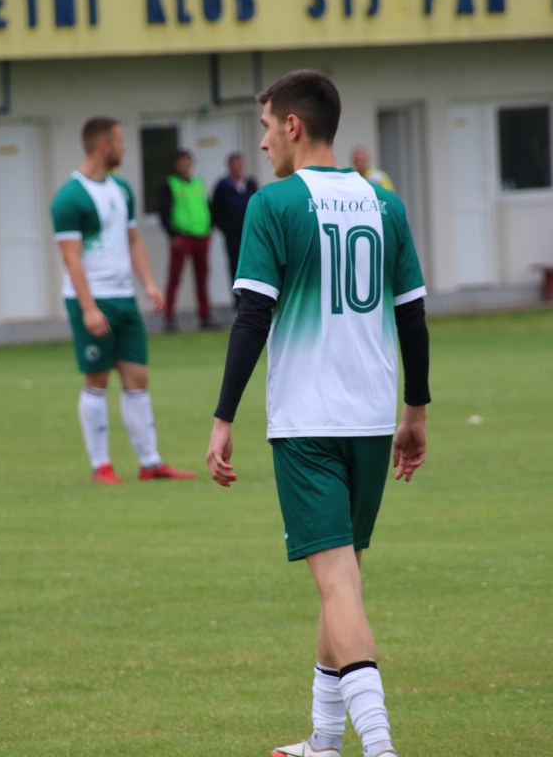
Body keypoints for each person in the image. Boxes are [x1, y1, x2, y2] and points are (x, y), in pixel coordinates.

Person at [206, 70, 430, 757]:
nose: (263, 141)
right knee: (343, 585)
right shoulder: (385, 204)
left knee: (337, 585)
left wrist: (223, 417)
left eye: (266, 127)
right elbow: (412, 316)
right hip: (371, 420)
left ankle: (380, 747)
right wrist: (415, 411)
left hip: (307, 423)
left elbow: (252, 316)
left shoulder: (273, 204)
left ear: (293, 126)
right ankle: (324, 742)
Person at [52, 116, 196, 485]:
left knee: (138, 377)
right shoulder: (69, 198)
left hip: (124, 298)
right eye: (119, 140)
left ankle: (150, 463)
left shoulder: (122, 189)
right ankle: (101, 466)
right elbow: (71, 258)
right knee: (97, 379)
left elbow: (133, 240)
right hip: (92, 299)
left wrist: (148, 284)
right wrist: (88, 308)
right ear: (104, 145)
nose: (124, 147)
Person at [158, 149, 217, 331]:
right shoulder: (170, 184)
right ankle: (169, 316)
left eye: (188, 161)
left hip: (201, 236)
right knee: (175, 277)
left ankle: (205, 316)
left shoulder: (198, 183)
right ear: (176, 164)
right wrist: (172, 234)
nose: (185, 165)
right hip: (182, 237)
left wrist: (209, 228)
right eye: (182, 161)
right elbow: (164, 212)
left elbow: (206, 206)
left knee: (202, 278)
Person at [209, 151, 258, 311]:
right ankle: (238, 302)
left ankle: (252, 300)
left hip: (250, 234)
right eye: (233, 166)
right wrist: (225, 227)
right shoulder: (222, 186)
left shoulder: (250, 183)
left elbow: (257, 206)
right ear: (229, 167)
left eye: (239, 165)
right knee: (235, 267)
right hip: (232, 235)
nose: (236, 168)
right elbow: (215, 211)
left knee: (252, 266)